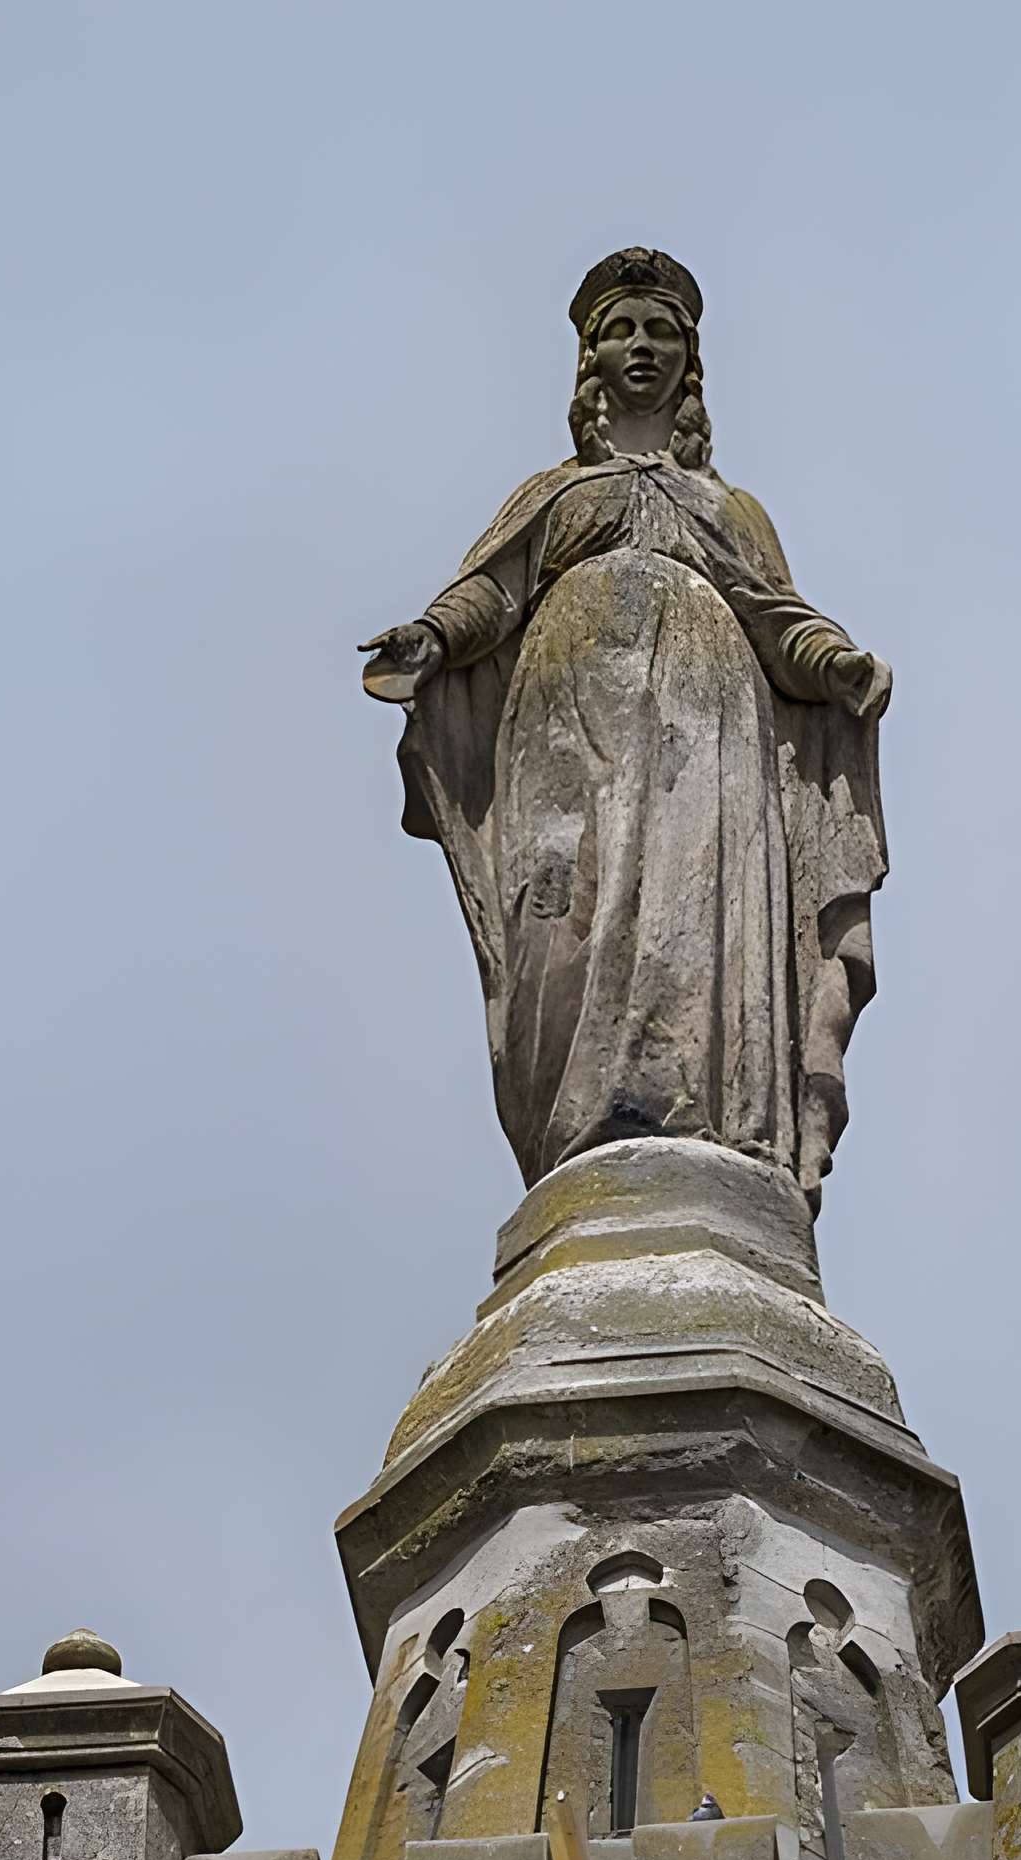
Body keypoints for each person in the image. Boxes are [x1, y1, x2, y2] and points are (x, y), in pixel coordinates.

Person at [361, 248, 891, 1204]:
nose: (641, 346)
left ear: (690, 359)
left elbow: (779, 620)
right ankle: (582, 1129)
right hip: (567, 728)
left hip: (706, 728)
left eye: (662, 331)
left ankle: (705, 1119)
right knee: (565, 926)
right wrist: (431, 637)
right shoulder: (555, 495)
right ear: (590, 355)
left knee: (695, 914)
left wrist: (840, 665)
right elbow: (494, 591)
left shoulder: (730, 510)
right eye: (623, 328)